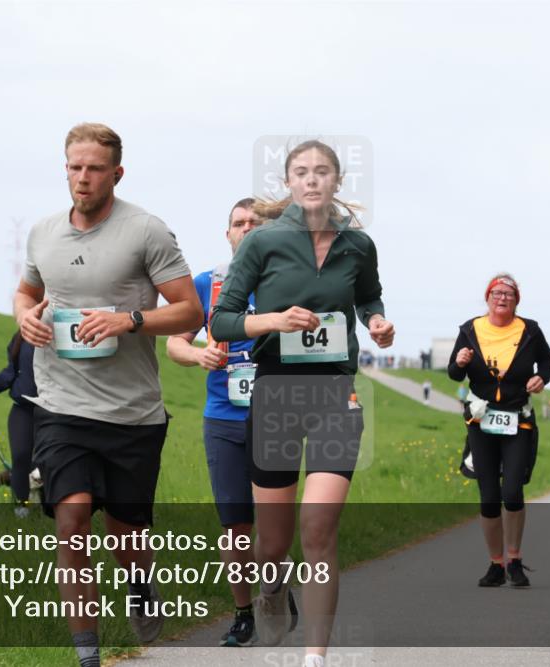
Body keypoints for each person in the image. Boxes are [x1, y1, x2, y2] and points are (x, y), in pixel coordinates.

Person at [13, 123, 202, 666]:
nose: (83, 178)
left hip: (131, 414)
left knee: (126, 536)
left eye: (95, 168)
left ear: (116, 174)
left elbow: (190, 310)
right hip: (60, 405)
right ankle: (87, 655)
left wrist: (128, 320)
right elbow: (28, 290)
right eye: (75, 167)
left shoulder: (147, 231)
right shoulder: (44, 232)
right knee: (71, 518)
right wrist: (26, 317)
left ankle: (140, 585)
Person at [210, 139, 394, 667]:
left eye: (322, 172)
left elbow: (368, 296)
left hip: (337, 392)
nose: (312, 180)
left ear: (337, 181)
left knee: (319, 528)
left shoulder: (358, 246)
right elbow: (221, 321)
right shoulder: (262, 243)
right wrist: (274, 320)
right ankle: (271, 590)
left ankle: (315, 656)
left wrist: (376, 322)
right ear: (289, 182)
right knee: (273, 545)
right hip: (276, 393)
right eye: (301, 172)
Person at [166, 197, 261, 647]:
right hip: (222, 418)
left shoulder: (285, 283)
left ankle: (275, 590)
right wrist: (199, 354)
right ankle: (243, 614)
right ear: (227, 234)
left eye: (254, 223)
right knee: (235, 526)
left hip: (275, 419)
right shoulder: (208, 284)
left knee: (274, 521)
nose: (245, 229)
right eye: (238, 223)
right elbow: (173, 344)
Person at [447, 274, 550, 589]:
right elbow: (454, 375)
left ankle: (515, 560)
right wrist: (460, 360)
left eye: (509, 294)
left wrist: (540, 378)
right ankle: (495, 564)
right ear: (487, 297)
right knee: (489, 497)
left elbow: (546, 361)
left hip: (517, 419)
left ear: (517, 300)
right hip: (481, 421)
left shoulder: (529, 330)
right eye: (497, 293)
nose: (502, 298)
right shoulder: (470, 329)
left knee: (513, 491)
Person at [0, 331, 38, 512]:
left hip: (54, 411)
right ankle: (21, 509)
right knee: (21, 457)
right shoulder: (22, 335)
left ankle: (47, 508)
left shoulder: (60, 331)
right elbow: (12, 371)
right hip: (23, 408)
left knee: (43, 463)